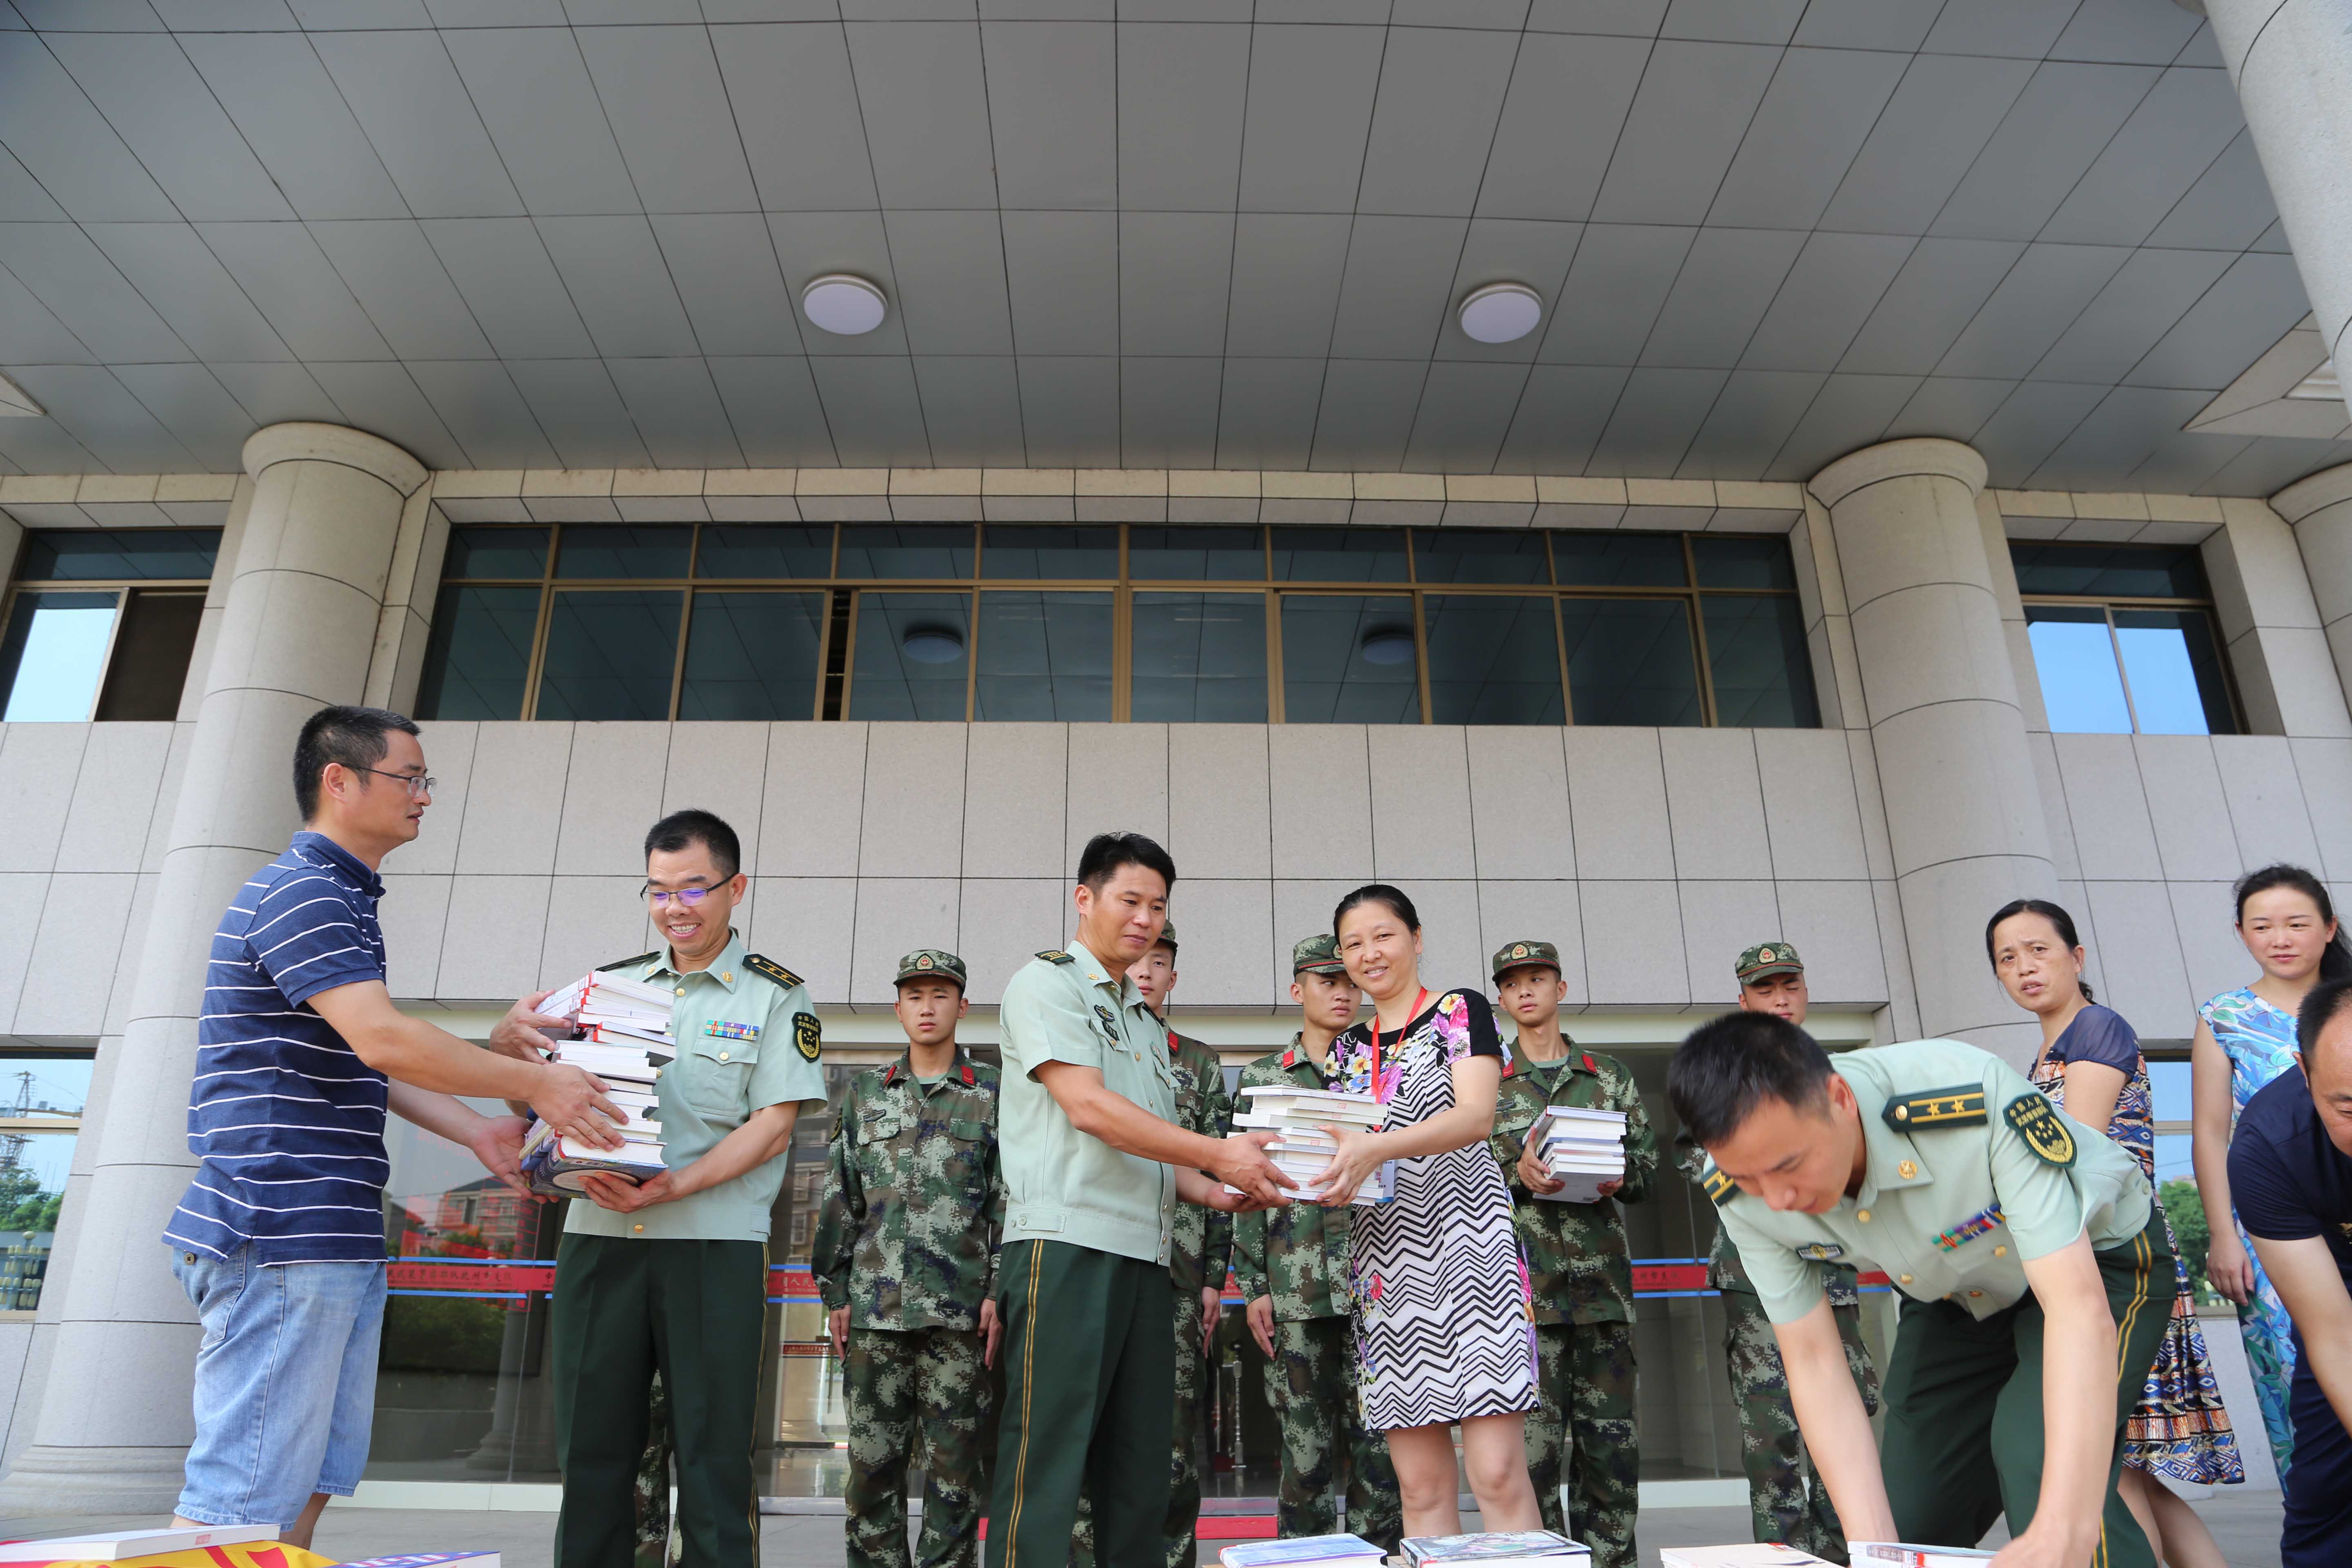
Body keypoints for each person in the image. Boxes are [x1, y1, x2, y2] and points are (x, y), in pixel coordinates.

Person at [164, 706, 619, 1546]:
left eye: (424, 780)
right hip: (281, 1228)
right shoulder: (303, 891)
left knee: (307, 1482)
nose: (424, 797)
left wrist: (478, 1130)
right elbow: (383, 1038)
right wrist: (537, 1083)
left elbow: (363, 1054)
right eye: (409, 778)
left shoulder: (341, 896)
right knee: (241, 1493)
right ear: (339, 781)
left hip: (327, 1234)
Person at [1671, 1015, 2176, 1568]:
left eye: (1788, 1165)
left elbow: (2075, 1308)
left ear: (1839, 1099)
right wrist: (1874, 1553)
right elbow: (1813, 1359)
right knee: (1906, 1518)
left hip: (2093, 1263)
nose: (1777, 1200)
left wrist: (2063, 1529)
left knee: (2041, 1467)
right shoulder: (1737, 1189)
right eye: (1749, 1180)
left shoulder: (1967, 1096)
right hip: (1955, 1292)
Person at [986, 832, 1287, 1568]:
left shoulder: (1144, 1020)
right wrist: (1217, 1152)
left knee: (1141, 1469)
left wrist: (1218, 1190)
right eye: (1130, 901)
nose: (1145, 919)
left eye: (1158, 906)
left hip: (1147, 1261)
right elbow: (1089, 1109)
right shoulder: (1047, 985)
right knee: (1047, 1462)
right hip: (1065, 1248)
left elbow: (1153, 1146)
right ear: (1084, 899)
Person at [546, 808, 829, 1568]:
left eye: (694, 888)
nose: (676, 907)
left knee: (713, 1457)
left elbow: (773, 1126)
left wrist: (676, 1188)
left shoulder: (775, 997)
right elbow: (547, 1098)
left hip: (711, 1248)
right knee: (591, 1455)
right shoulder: (605, 989)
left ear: (736, 889)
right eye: (659, 891)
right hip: (601, 1241)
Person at [1987, 899, 2241, 1568]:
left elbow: (2075, 1155)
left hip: (2119, 1271)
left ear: (2076, 957)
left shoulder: (2095, 1027)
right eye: (2008, 958)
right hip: (2098, 1268)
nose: (2025, 967)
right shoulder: (2049, 1049)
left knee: (2105, 1463)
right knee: (2127, 1468)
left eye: (2039, 950)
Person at [1310, 885, 1541, 1539]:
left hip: (1474, 1255)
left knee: (1496, 1472)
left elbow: (1474, 1117)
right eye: (1353, 944)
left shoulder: (1459, 1012)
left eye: (1383, 936)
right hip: (1388, 1266)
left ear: (1416, 938)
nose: (1369, 954)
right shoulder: (1346, 1051)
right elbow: (1341, 1151)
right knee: (1419, 1484)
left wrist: (1373, 1149)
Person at [1688, 943, 1880, 1565]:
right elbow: (1699, 1162)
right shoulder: (1721, 1076)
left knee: (1846, 1413)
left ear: (1806, 992)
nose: (1780, 1000)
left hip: (1832, 1271)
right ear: (1743, 1001)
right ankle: (1786, 1557)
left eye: (1789, 986)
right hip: (1756, 1274)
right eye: (1764, 990)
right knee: (1771, 1430)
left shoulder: (1838, 1073)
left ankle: (1847, 1553)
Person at [813, 949, 1002, 1568]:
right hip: (875, 1312)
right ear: (898, 1009)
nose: (927, 1007)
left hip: (960, 1316)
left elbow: (1010, 1201)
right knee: (871, 1473)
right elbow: (840, 1196)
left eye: (940, 995)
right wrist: (836, 1293)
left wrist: (999, 1291)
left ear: (962, 1007)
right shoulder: (866, 1093)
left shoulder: (992, 1093)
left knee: (956, 1477)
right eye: (915, 995)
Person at [1487, 940, 1655, 1568]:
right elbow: (1459, 1173)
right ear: (1502, 1000)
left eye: (1538, 979)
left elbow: (1649, 1168)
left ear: (1560, 988)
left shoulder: (1607, 1075)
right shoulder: (1488, 1083)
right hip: (1523, 1304)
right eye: (1513, 983)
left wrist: (1619, 1174)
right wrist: (1515, 1171)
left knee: (1611, 1462)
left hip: (1602, 1298)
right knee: (1529, 1466)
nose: (1526, 991)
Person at [1233, 935, 1402, 1555]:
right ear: (1296, 990)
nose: (1342, 993)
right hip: (1295, 1289)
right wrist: (1254, 1286)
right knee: (1304, 1458)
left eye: (1350, 982)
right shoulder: (1264, 1079)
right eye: (1327, 981)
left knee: (1381, 1456)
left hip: (1377, 1285)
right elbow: (1245, 1187)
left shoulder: (1381, 1073)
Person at [2192, 863, 2352, 1477]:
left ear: (2330, 927)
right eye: (2262, 926)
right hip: (2274, 1227)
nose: (2280, 939)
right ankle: (2312, 1503)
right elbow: (2210, 1133)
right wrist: (2223, 1235)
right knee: (2292, 1369)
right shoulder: (2223, 1016)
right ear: (2242, 934)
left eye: (2297, 924)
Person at [2227, 975, 2352, 1566]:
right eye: (2348, 1108)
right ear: (2304, 1072)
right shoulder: (2269, 1146)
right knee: (2327, 1487)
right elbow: (2336, 1335)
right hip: (2340, 1286)